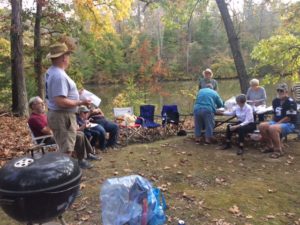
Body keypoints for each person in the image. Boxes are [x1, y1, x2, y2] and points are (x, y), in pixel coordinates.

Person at [45, 42, 91, 159]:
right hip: (62, 116)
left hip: (59, 115)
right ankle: (64, 174)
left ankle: (70, 169)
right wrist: (81, 102)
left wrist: (76, 94)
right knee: (66, 150)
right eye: (68, 55)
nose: (68, 58)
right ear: (64, 57)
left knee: (67, 146)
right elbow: (60, 101)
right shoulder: (59, 75)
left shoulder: (51, 71)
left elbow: (59, 94)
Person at [28, 96, 100, 169]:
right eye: (40, 103)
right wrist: (52, 121)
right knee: (78, 136)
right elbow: (47, 132)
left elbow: (53, 126)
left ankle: (88, 154)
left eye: (43, 102)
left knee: (81, 133)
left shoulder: (42, 115)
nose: (43, 104)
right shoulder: (34, 118)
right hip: (47, 139)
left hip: (55, 134)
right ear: (33, 106)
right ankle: (81, 160)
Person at [258, 83, 297, 158]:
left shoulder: (291, 102)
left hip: (290, 123)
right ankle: (270, 146)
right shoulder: (275, 101)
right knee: (262, 126)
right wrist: (271, 122)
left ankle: (278, 150)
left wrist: (276, 124)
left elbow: (288, 118)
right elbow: (275, 114)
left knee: (272, 128)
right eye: (278, 90)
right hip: (277, 122)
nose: (279, 92)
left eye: (282, 91)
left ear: (286, 92)